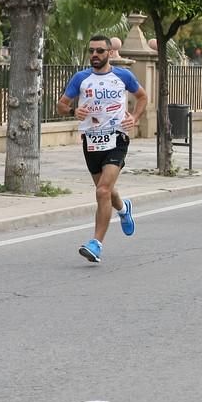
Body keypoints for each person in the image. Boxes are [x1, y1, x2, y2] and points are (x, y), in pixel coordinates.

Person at [57, 35, 148, 263]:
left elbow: (142, 97)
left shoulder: (122, 75)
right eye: (91, 51)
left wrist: (134, 117)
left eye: (99, 51)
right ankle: (123, 208)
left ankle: (96, 243)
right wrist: (71, 111)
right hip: (91, 139)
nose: (95, 55)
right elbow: (61, 105)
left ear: (109, 52)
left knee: (102, 191)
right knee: (104, 189)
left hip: (117, 137)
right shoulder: (81, 78)